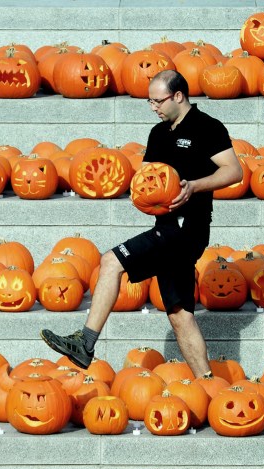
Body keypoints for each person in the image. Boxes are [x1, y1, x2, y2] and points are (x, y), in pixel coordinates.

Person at [41, 69, 243, 375]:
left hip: (188, 229)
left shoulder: (207, 127)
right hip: (165, 228)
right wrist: (142, 196)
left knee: (111, 261)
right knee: (179, 313)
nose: (154, 107)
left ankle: (85, 343)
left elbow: (234, 171)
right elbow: (147, 179)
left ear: (178, 96)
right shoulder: (158, 133)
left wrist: (194, 186)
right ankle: (207, 382)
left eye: (158, 101)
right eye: (149, 102)